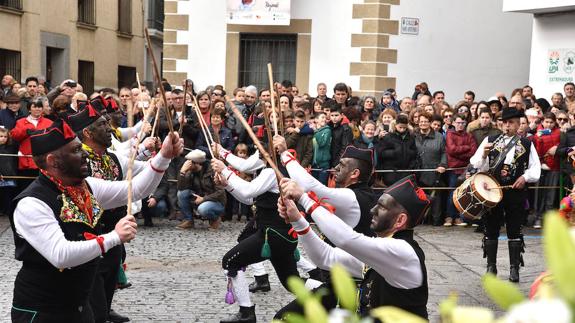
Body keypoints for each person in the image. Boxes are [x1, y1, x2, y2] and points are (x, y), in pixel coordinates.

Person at [8, 119, 182, 322]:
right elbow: (60, 255)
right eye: (75, 151)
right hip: (42, 311)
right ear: (53, 161)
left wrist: (164, 157)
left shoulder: (86, 186)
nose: (85, 154)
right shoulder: (32, 203)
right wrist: (114, 237)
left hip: (79, 305)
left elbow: (135, 190)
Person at [277, 174, 430, 319]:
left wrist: (305, 198)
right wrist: (297, 220)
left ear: (400, 220)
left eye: (382, 207)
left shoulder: (403, 252)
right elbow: (326, 257)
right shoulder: (384, 252)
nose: (372, 210)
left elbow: (347, 239)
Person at [273, 138, 379, 318]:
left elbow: (314, 189)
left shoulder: (352, 198)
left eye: (342, 165)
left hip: (346, 287)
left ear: (354, 173)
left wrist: (285, 154)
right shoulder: (352, 197)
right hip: (334, 276)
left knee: (283, 318)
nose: (336, 168)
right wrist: (294, 216)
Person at [67, 103, 151, 323]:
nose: (109, 128)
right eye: (102, 125)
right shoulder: (78, 163)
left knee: (110, 275)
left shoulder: (110, 158)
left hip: (115, 230)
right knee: (92, 287)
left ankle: (105, 307)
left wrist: (163, 155)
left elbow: (142, 168)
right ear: (87, 133)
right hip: (91, 233)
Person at [210, 148, 299, 323]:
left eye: (259, 152)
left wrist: (225, 170)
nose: (256, 156)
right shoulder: (271, 170)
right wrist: (227, 185)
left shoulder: (271, 171)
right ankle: (324, 291)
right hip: (280, 236)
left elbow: (249, 190)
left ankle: (246, 313)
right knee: (291, 281)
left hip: (272, 235)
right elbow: (249, 199)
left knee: (230, 261)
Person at [470, 107, 541, 283]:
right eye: (505, 123)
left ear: (519, 124)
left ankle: (514, 268)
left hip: (515, 192)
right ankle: (491, 267)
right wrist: (485, 154)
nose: (507, 126)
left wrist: (525, 177)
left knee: (514, 229)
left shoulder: (526, 143)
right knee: (491, 228)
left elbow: (535, 169)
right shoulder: (490, 140)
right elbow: (476, 164)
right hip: (493, 192)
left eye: (511, 123)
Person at [176, 149, 226, 230]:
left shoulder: (213, 171)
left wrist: (203, 199)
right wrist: (182, 172)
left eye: (189, 162)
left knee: (202, 209)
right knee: (181, 193)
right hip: (199, 198)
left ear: (196, 163)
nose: (186, 164)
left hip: (216, 202)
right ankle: (189, 220)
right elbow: (180, 188)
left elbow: (220, 192)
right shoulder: (190, 171)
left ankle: (215, 218)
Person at [10, 99, 53, 190]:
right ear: (29, 109)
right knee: (26, 187)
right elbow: (14, 136)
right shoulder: (21, 122)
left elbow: (54, 139)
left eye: (39, 107)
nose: (37, 109)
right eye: (35, 107)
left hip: (43, 161)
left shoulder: (49, 122)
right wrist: (25, 131)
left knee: (43, 188)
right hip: (26, 161)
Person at [445, 114, 478, 226]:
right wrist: (466, 148)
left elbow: (473, 152)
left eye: (462, 123)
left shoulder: (469, 136)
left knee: (464, 194)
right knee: (452, 193)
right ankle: (449, 216)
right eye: (458, 122)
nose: (460, 125)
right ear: (453, 123)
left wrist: (460, 153)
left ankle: (460, 217)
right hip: (454, 169)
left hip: (466, 169)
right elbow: (452, 150)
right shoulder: (450, 134)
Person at [415, 112, 447, 226]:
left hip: (434, 172)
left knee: (436, 200)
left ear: (430, 123)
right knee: (419, 198)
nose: (423, 123)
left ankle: (436, 222)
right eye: (421, 121)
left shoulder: (439, 136)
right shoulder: (414, 135)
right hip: (418, 172)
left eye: (426, 121)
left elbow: (444, 152)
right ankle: (420, 221)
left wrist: (443, 165)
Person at [531, 112, 560, 229]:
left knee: (551, 193)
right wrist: (537, 138)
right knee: (539, 192)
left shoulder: (559, 133)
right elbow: (535, 152)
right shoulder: (537, 133)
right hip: (540, 165)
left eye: (551, 122)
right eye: (546, 122)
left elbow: (559, 148)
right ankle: (538, 217)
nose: (548, 124)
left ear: (554, 123)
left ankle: (549, 219)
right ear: (542, 122)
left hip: (554, 167)